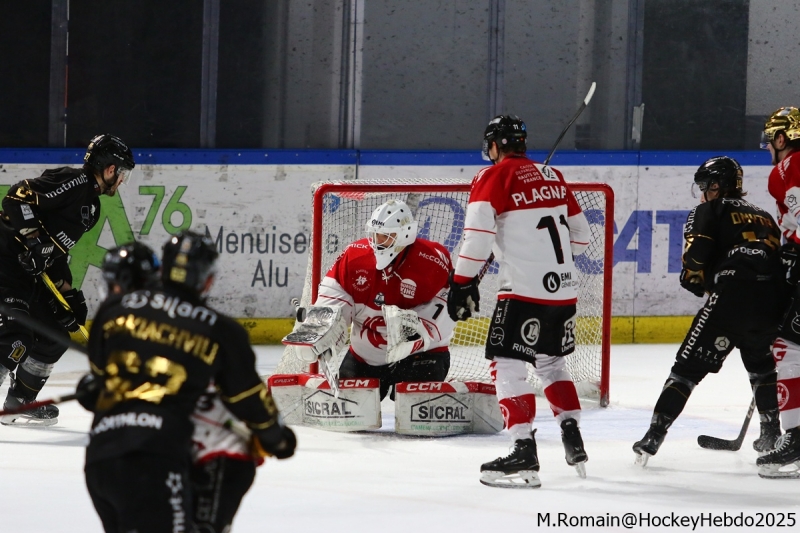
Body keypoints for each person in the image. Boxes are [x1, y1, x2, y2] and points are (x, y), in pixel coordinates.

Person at [79, 231, 296, 533]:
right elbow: (246, 398)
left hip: (100, 457)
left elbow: (102, 376)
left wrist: (93, 387)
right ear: (207, 280)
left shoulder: (114, 308)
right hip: (155, 458)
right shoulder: (220, 330)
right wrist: (276, 436)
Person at [447, 114, 592, 488]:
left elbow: (478, 236)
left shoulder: (492, 176)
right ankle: (571, 430)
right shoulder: (553, 176)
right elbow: (582, 235)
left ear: (494, 145)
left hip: (523, 292)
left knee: (506, 365)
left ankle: (523, 451)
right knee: (551, 362)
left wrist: (461, 282)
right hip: (563, 289)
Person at [632, 156, 784, 467]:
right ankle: (771, 432)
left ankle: (653, 436)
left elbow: (697, 257)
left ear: (718, 186)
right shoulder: (766, 216)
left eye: (706, 186)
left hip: (731, 297)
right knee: (761, 366)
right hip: (773, 300)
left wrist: (693, 277)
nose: (703, 193)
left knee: (685, 371)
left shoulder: (709, 210)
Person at [0, 134, 134, 425]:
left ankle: (18, 404)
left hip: (27, 273)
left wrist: (68, 294)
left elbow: (56, 254)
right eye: (121, 173)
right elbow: (15, 197)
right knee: (16, 337)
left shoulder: (92, 208)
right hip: (5, 260)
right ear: (110, 169)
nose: (121, 180)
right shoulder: (73, 182)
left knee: (54, 335)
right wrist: (32, 239)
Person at [311, 199, 455, 401]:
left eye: (386, 236)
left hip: (421, 355)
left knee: (414, 415)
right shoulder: (354, 256)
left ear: (405, 234)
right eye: (375, 234)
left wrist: (419, 330)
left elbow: (448, 304)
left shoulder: (432, 259)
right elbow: (333, 294)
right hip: (366, 355)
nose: (378, 241)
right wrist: (322, 327)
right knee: (351, 410)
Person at [758, 106, 800, 477]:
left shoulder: (788, 167)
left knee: (787, 347)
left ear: (782, 137)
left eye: (771, 140)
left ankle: (797, 440)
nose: (769, 148)